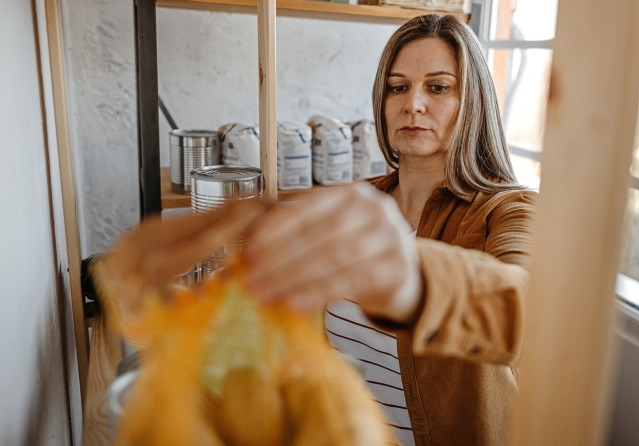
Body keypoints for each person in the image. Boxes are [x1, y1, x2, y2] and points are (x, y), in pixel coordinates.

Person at [97, 13, 535, 446]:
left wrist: (411, 281)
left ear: (473, 101)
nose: (412, 103)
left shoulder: (510, 210)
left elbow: (528, 309)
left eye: (438, 87)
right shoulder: (355, 202)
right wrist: (173, 305)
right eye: (397, 87)